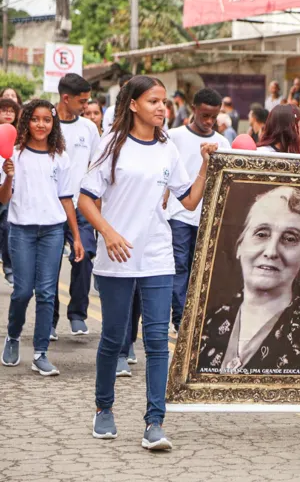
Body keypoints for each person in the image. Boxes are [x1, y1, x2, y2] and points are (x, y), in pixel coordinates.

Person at [78, 75, 215, 449]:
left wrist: (204, 167)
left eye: (165, 102)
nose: (161, 107)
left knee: (157, 340)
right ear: (134, 104)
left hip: (157, 253)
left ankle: (155, 421)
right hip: (117, 256)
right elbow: (85, 199)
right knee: (113, 337)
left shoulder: (168, 147)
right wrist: (108, 233)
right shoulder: (112, 145)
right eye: (154, 101)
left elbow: (187, 200)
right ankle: (103, 409)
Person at [198, 186, 300, 374]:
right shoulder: (207, 321)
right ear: (240, 245)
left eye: (290, 238)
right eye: (261, 234)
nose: (271, 251)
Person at [0, 99, 83, 375]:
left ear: (53, 123)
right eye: (35, 119)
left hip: (52, 231)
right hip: (22, 230)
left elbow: (66, 198)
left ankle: (40, 353)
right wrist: (8, 176)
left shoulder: (60, 157)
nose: (41, 124)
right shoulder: (13, 154)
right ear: (27, 121)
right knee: (23, 291)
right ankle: (12, 336)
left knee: (47, 293)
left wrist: (77, 237)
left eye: (47, 119)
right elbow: (3, 198)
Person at [166, 88, 230, 338]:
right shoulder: (174, 136)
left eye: (213, 117)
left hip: (207, 216)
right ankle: (179, 318)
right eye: (204, 116)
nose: (208, 122)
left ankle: (195, 318)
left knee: (199, 268)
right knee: (179, 266)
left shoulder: (222, 143)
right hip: (178, 213)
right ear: (194, 110)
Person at [51, 73, 101, 340]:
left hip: (81, 205)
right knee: (49, 266)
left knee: (85, 256)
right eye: (82, 101)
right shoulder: (46, 123)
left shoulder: (89, 129)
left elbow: (96, 167)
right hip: (51, 205)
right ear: (65, 98)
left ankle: (78, 314)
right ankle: (49, 320)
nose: (86, 107)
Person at [0, 98, 20, 285]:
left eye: (11, 111)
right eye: (3, 110)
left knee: (7, 228)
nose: (7, 114)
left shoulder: (21, 139)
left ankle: (9, 266)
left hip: (7, 191)